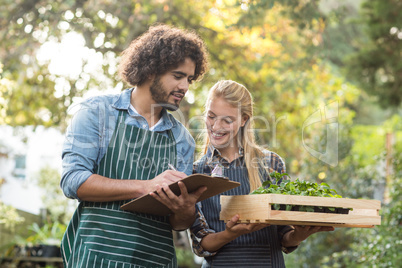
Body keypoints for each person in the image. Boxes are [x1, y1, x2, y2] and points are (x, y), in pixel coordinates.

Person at [60, 24, 209, 267]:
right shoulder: (97, 113)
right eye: (178, 76)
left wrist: (185, 209)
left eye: (190, 79)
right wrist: (145, 187)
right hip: (96, 257)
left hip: (156, 260)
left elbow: (179, 223)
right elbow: (73, 181)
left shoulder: (182, 139)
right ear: (151, 70)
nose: (185, 87)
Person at [190, 80, 334, 267]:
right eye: (211, 116)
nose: (216, 126)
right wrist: (231, 233)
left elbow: (285, 236)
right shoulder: (197, 172)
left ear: (244, 120)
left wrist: (299, 235)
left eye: (227, 120)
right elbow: (201, 244)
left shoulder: (271, 164)